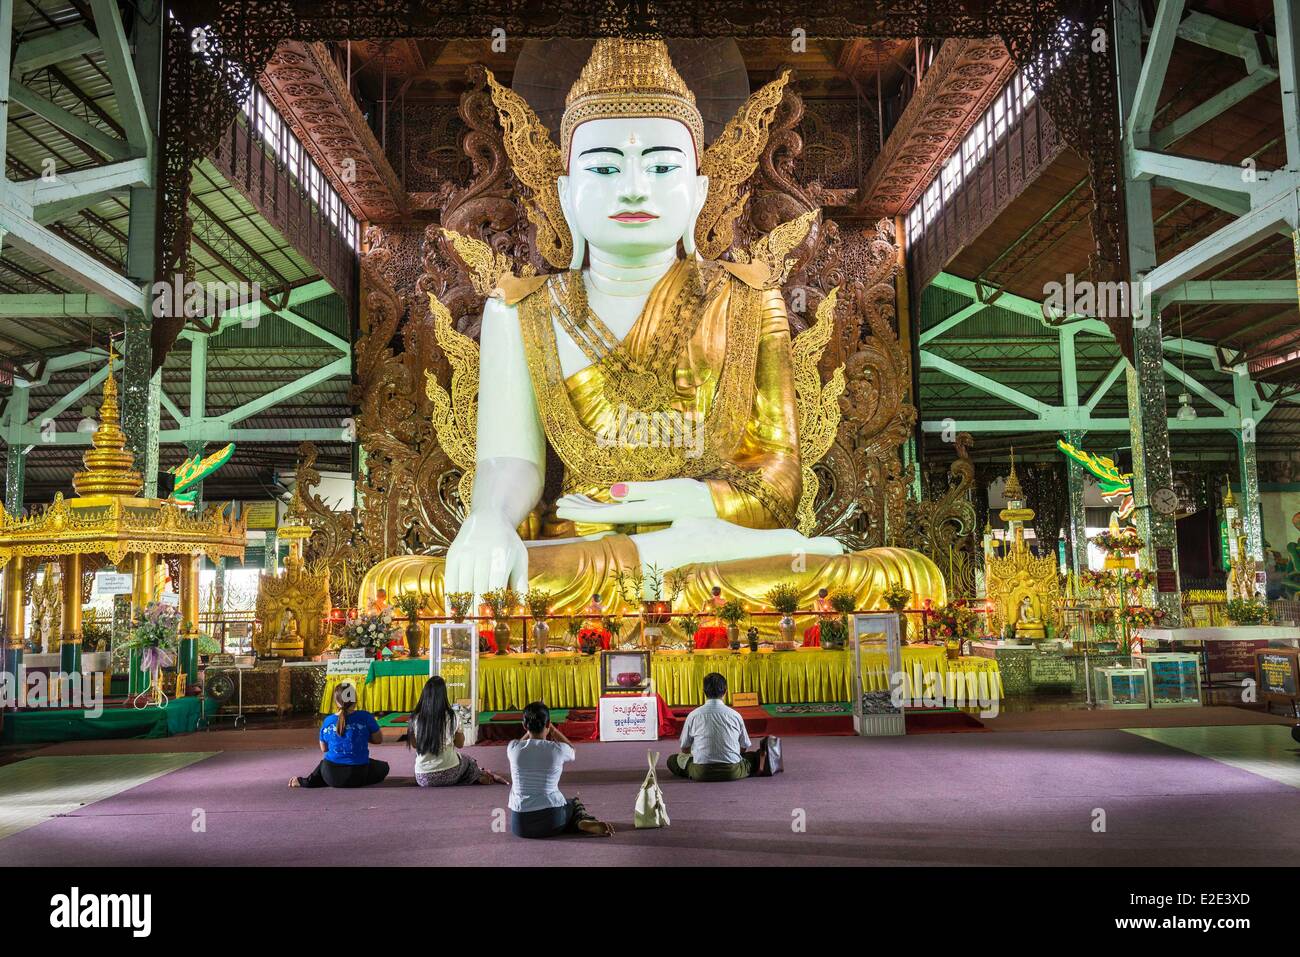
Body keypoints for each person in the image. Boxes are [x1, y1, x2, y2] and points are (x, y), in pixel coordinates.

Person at [506, 701, 615, 838]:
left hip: (520, 825)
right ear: (547, 724)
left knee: (564, 808)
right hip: (551, 820)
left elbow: (521, 742)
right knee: (573, 804)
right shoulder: (556, 750)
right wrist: (553, 730)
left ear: (524, 725)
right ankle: (580, 822)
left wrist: (530, 731)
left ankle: (577, 824)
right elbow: (572, 750)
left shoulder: (513, 749)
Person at [409, 676, 507, 787]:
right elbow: (460, 744)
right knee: (468, 761)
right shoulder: (453, 716)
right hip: (450, 774)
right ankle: (479, 774)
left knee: (459, 760)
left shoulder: (415, 718)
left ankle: (477, 774)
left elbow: (414, 745)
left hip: (422, 778)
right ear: (443, 695)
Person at [290, 683, 389, 788]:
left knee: (324, 763)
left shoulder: (328, 721)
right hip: (358, 775)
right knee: (384, 767)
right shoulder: (366, 717)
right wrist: (361, 736)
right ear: (355, 699)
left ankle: (308, 781)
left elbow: (324, 748)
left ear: (336, 702)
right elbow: (378, 740)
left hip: (331, 776)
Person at [668, 672, 760, 781]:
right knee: (754, 757)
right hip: (732, 771)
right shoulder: (735, 715)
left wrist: (698, 756)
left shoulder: (693, 715)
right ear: (725, 691)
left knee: (672, 760)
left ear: (704, 692)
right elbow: (744, 745)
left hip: (701, 772)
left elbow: (685, 748)